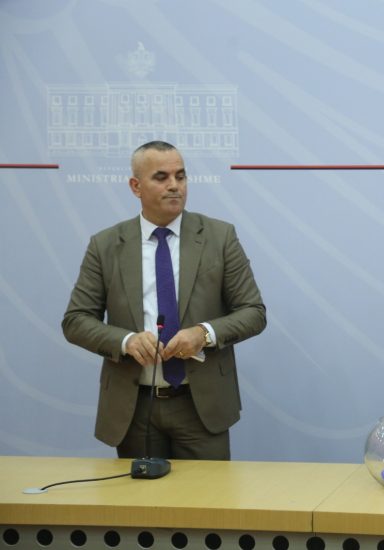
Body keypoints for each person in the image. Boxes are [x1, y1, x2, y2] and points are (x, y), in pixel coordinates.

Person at [63, 141, 266, 460]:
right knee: (141, 494)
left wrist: (204, 334)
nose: (174, 185)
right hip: (134, 407)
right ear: (135, 186)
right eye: (161, 177)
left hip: (201, 406)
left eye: (180, 176)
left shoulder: (219, 237)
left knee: (208, 494)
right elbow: (76, 321)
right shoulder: (106, 245)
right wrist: (127, 341)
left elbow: (253, 312)